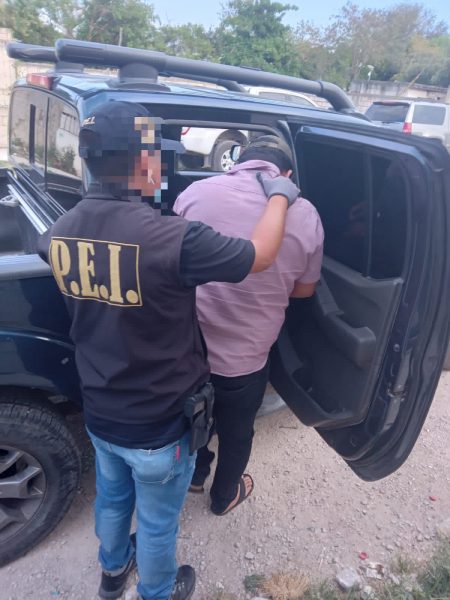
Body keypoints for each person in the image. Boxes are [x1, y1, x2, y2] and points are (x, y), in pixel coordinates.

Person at [37, 104, 301, 600]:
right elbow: (261, 255)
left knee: (112, 500)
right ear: (143, 163)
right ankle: (158, 591)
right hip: (159, 424)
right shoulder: (172, 239)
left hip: (100, 411)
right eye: (158, 156)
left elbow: (56, 253)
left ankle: (112, 573)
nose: (162, 166)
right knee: (157, 522)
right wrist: (280, 197)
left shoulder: (59, 231)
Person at [174, 135, 324, 516]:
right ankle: (224, 496)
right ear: (286, 175)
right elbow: (304, 292)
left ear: (238, 159)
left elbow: (172, 264)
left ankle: (195, 476)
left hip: (190, 351)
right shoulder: (306, 214)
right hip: (247, 360)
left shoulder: (195, 194)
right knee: (238, 432)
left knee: (193, 417)